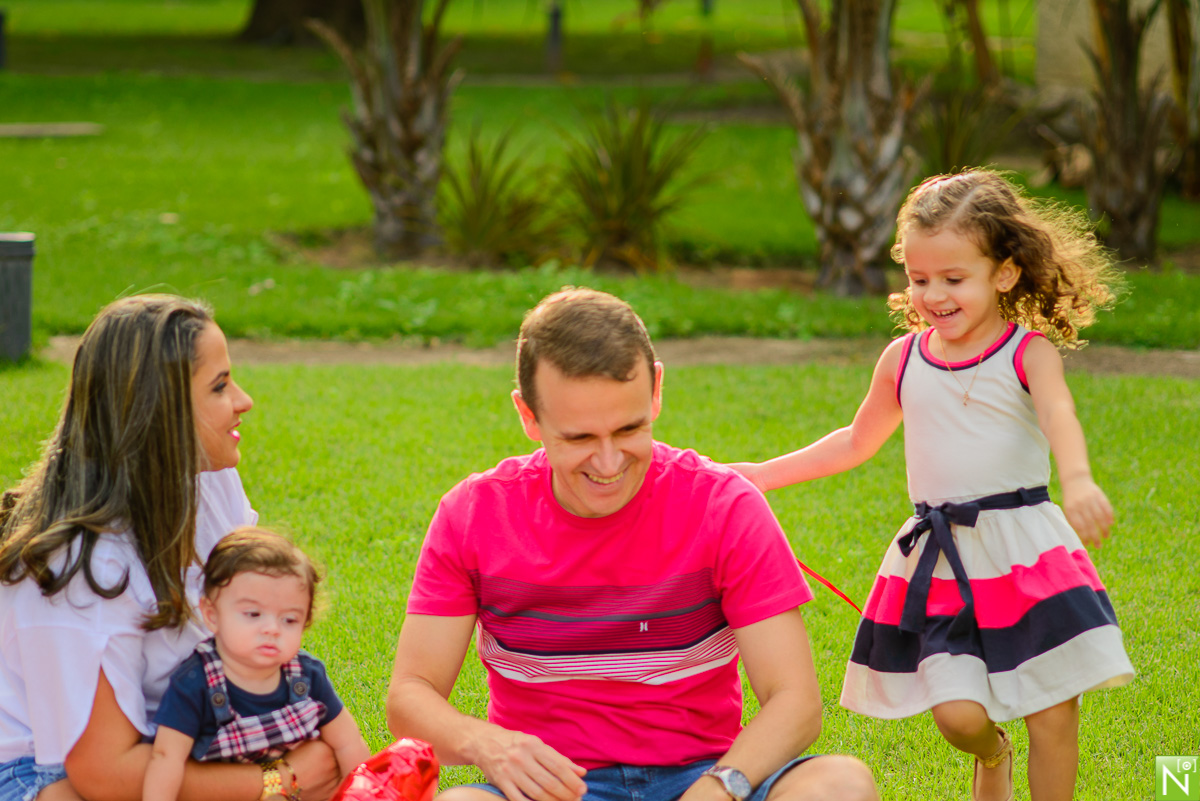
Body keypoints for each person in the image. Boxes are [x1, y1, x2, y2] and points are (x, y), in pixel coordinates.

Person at [729, 169, 1135, 801]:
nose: (934, 295)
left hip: (1025, 552)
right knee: (957, 715)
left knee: (1053, 716)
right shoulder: (903, 360)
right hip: (942, 560)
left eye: (953, 279)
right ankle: (993, 754)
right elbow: (855, 441)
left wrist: (1078, 480)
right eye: (919, 280)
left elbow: (1060, 415)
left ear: (1004, 274)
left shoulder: (1027, 354)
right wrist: (759, 475)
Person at [386, 288, 878, 801]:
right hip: (552, 788)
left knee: (839, 784)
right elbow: (410, 695)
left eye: (629, 429)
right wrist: (488, 744)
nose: (608, 462)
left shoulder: (725, 505)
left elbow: (795, 701)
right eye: (579, 438)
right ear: (528, 416)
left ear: (656, 391)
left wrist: (720, 786)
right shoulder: (473, 513)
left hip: (703, 776)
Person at [0, 295, 340, 801]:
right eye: (220, 387)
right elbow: (102, 773)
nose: (244, 400)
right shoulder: (82, 567)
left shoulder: (210, 481)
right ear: (159, 412)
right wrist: (278, 780)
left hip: (177, 740)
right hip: (45, 773)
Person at [144, 526, 370, 801]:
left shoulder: (307, 676)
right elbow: (166, 757)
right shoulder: (195, 684)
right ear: (212, 615)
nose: (272, 629)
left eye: (289, 619)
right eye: (253, 614)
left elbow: (348, 743)